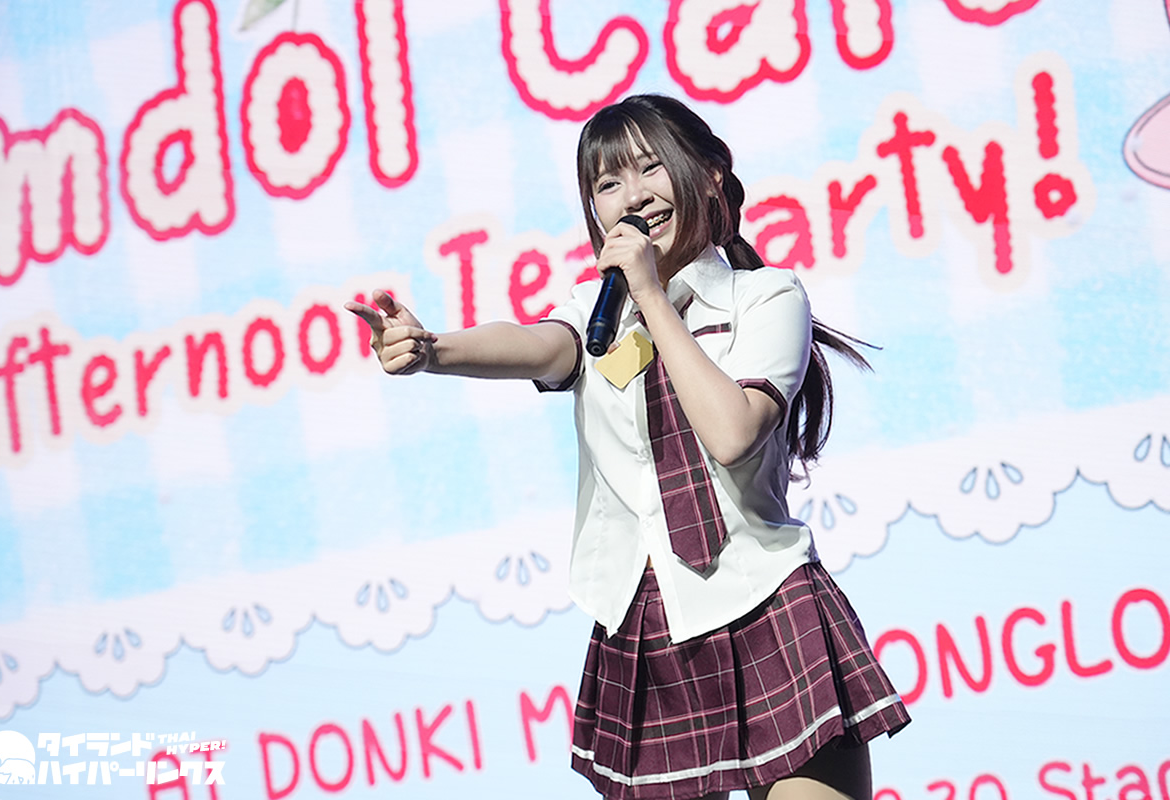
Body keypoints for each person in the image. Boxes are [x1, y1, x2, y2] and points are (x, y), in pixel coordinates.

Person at [346, 94, 910, 800]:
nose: (632, 196)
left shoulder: (765, 298)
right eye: (608, 182)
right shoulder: (595, 316)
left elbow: (732, 432)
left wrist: (650, 294)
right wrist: (433, 350)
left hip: (765, 601)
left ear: (710, 173)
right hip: (644, 623)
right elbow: (534, 344)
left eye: (649, 169)